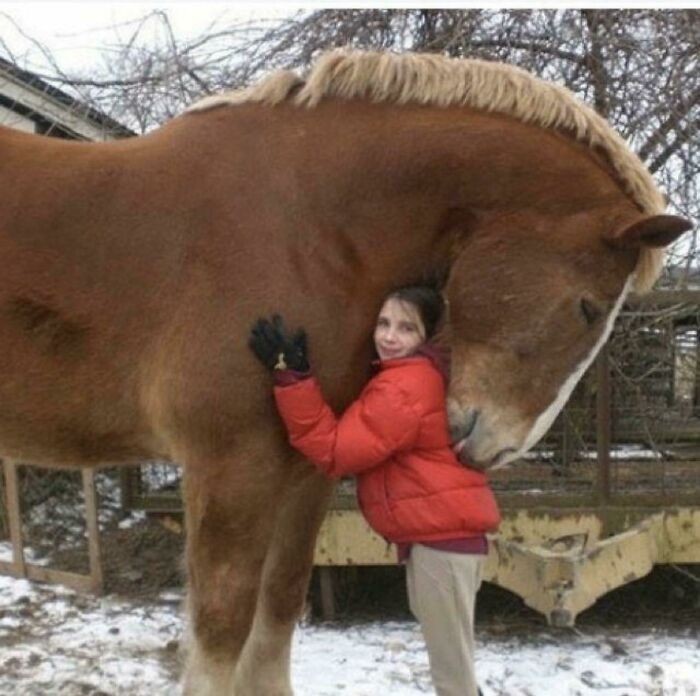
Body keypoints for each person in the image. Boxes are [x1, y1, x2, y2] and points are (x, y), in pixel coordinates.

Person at [249, 285, 500, 696]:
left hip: (442, 544)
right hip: (442, 540)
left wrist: (292, 378)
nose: (388, 336)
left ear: (426, 338)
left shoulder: (405, 386)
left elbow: (334, 451)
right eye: (383, 323)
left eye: (406, 328)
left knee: (452, 675)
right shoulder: (416, 375)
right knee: (453, 666)